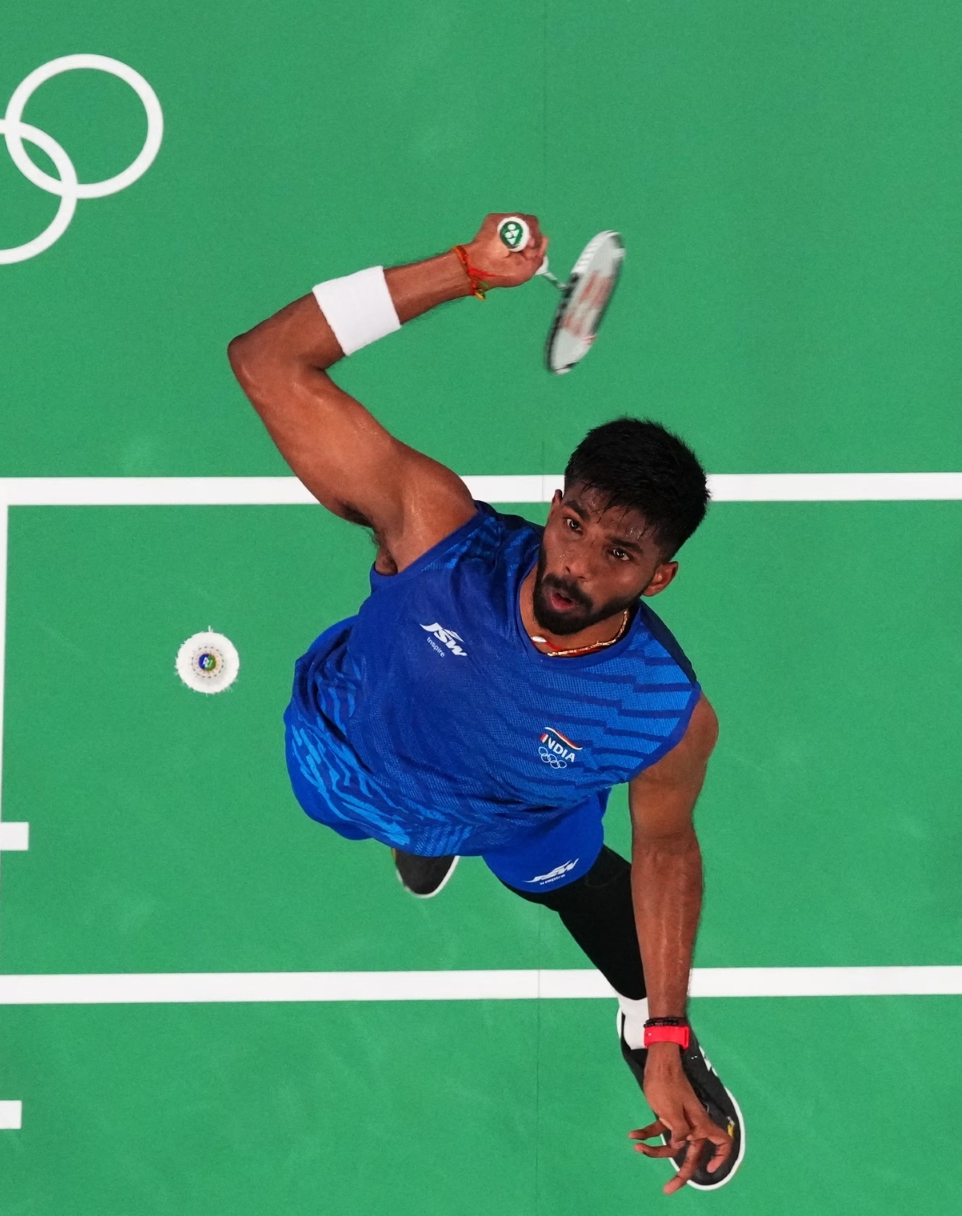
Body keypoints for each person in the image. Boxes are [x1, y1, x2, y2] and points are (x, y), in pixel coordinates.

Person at [227, 214, 742, 1194]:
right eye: (573, 522)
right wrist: (460, 270)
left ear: (659, 577)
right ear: (554, 503)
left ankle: (646, 1028)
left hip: (516, 804)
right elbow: (267, 363)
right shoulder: (430, 533)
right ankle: (421, 837)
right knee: (442, 823)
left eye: (617, 554)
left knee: (570, 869)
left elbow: (667, 850)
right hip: (350, 756)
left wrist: (671, 1027)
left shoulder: (661, 711)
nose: (575, 563)